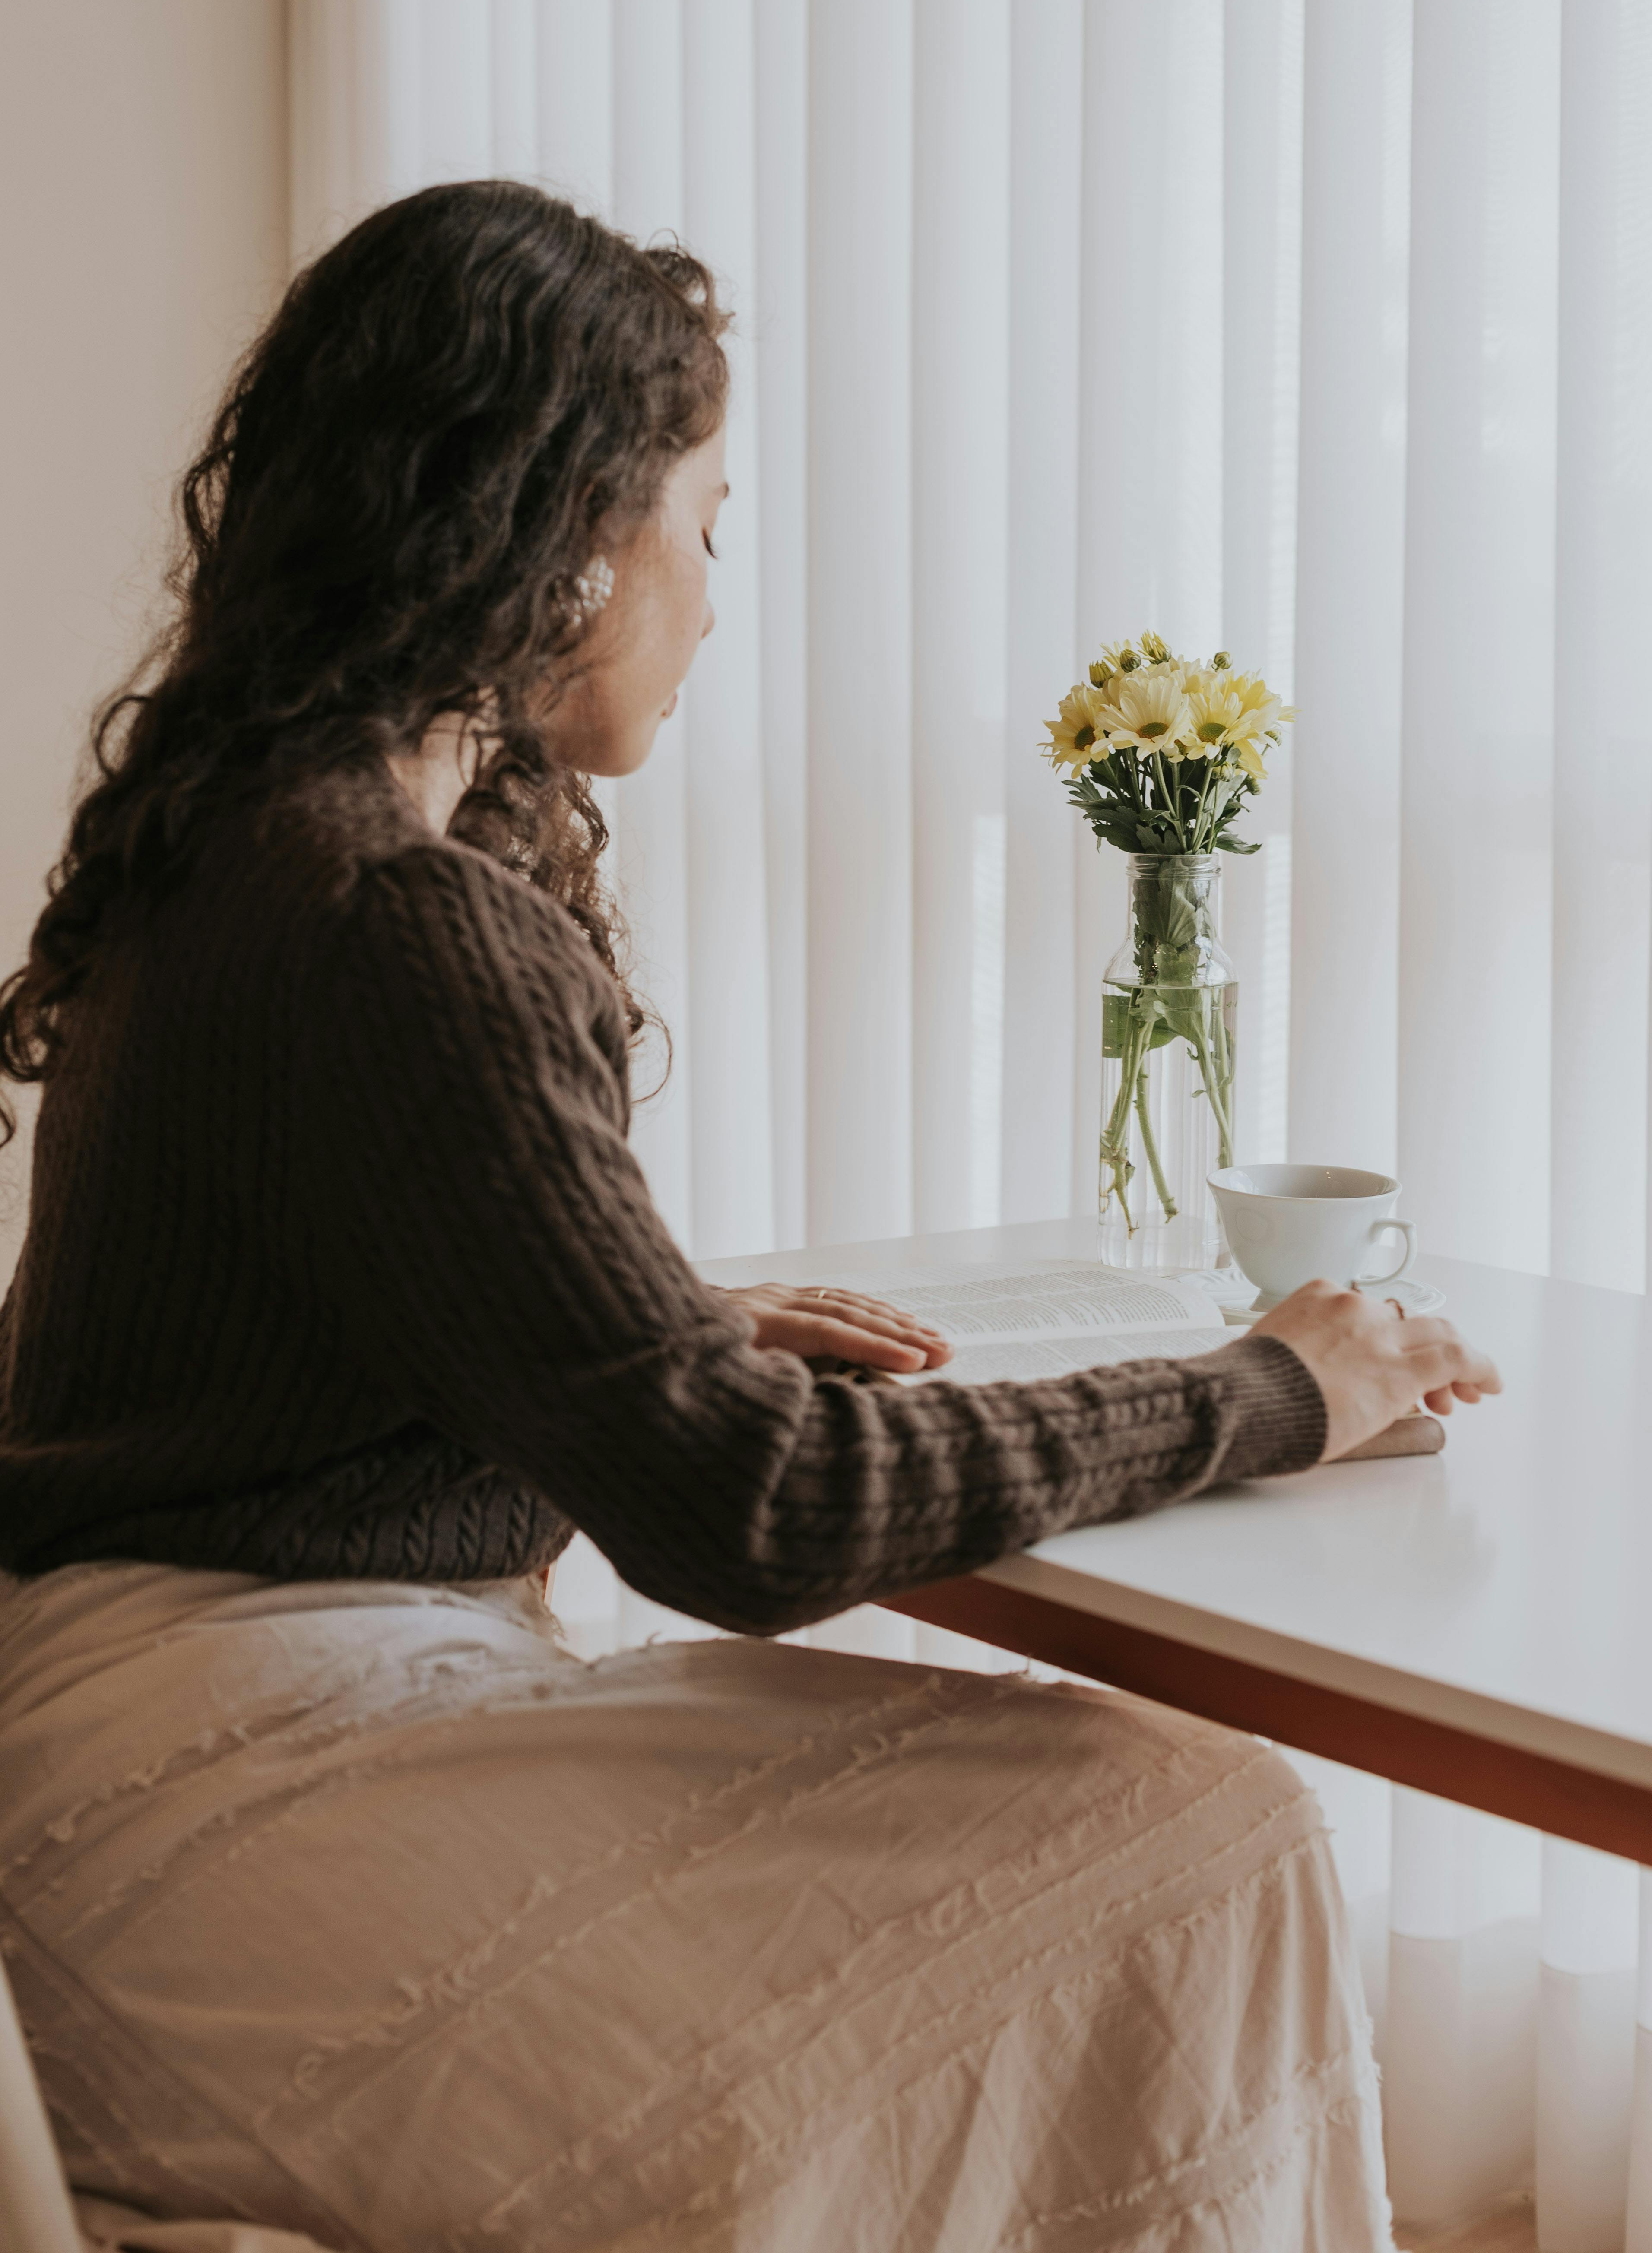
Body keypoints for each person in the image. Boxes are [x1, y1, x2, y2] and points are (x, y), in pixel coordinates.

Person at [0, 182, 1498, 2252]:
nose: (715, 597)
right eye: (707, 523)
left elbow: (256, 1315)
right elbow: (754, 1516)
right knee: (1204, 1837)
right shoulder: (394, 916)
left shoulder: (250, 836)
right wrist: (1270, 1389)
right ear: (560, 529)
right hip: (220, 1767)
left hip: (97, 1724)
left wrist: (629, 1311)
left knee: (1161, 1829)